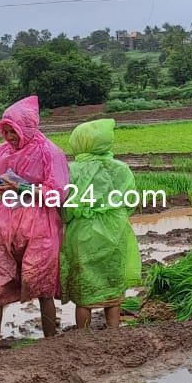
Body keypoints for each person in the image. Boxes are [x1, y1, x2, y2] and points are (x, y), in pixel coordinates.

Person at [0, 96, 70, 356]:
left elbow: (57, 194)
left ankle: (50, 342)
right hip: (1, 222)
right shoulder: (2, 151)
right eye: (4, 131)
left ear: (26, 128)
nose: (8, 136)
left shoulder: (49, 152)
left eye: (12, 131)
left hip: (38, 223)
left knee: (40, 281)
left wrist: (21, 186)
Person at [59, 119, 141, 330]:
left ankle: (83, 335)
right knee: (112, 285)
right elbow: (130, 201)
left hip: (83, 233)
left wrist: (70, 219)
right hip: (115, 230)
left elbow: (65, 207)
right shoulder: (121, 169)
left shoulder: (72, 170)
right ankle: (113, 333)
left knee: (85, 289)